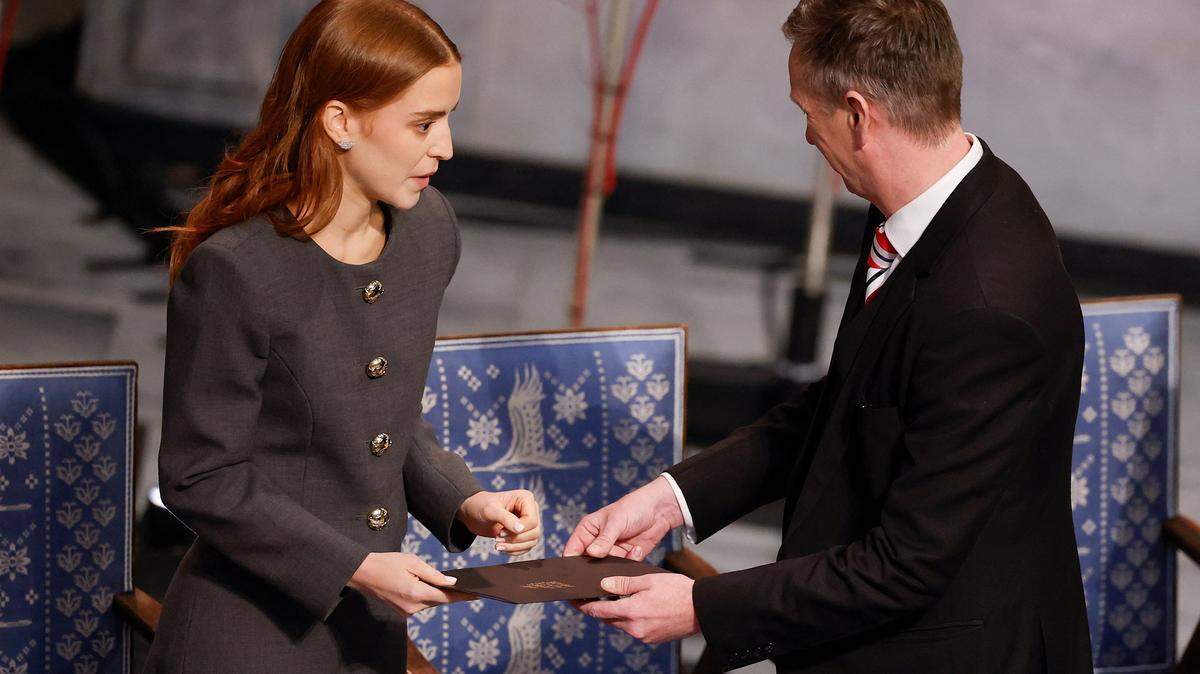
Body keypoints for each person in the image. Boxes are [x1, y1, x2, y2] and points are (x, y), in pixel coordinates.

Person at [565, 1, 1092, 671]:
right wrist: (671, 500)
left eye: (807, 113)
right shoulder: (930, 202)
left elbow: (907, 563)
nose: (808, 136)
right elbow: (851, 403)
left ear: (858, 115)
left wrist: (702, 607)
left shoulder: (988, 306)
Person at [144, 2, 542, 671]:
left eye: (448, 119)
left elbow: (383, 417)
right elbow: (200, 477)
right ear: (340, 122)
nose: (445, 147)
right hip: (248, 636)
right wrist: (353, 566)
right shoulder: (237, 271)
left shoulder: (428, 232)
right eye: (423, 124)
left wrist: (466, 500)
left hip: (367, 636)